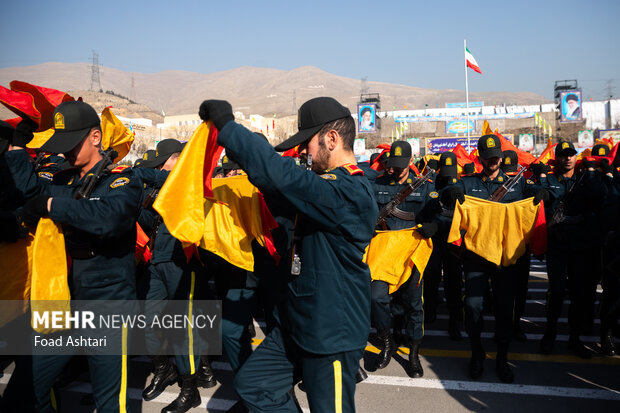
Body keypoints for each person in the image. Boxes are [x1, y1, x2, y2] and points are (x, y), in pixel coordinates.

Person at [199, 96, 377, 413]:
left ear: (332, 139)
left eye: (307, 143)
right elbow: (277, 187)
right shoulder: (324, 187)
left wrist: (229, 130)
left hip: (330, 334)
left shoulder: (349, 191)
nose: (304, 152)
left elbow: (286, 178)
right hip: (297, 325)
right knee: (254, 385)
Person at [3, 101, 141, 412]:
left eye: (71, 144)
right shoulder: (65, 178)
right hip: (62, 301)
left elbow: (110, 217)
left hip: (106, 303)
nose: (65, 152)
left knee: (110, 403)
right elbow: (28, 192)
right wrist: (16, 147)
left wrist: (52, 206)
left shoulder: (121, 179)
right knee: (26, 391)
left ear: (96, 137)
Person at [441, 134, 543, 383]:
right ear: (480, 159)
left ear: (501, 157)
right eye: (488, 158)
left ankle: (502, 358)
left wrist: (541, 191)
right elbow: (445, 193)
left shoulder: (517, 186)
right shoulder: (468, 183)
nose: (493, 162)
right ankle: (477, 353)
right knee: (473, 306)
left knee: (504, 309)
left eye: (496, 157)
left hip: (505, 259)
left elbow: (535, 192)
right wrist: (451, 191)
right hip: (476, 256)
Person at [134, 138, 216, 413]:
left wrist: (131, 172)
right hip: (156, 263)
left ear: (178, 160)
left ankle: (189, 390)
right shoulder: (156, 188)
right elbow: (146, 222)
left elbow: (164, 179)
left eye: (164, 161)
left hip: (181, 263)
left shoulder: (187, 181)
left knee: (183, 330)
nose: (160, 167)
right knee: (148, 322)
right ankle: (164, 370)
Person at [370, 140, 438, 377]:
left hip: (411, 252)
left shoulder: (425, 186)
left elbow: (438, 212)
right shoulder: (377, 184)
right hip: (383, 253)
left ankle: (413, 354)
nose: (395, 169)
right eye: (392, 164)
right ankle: (387, 342)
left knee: (413, 304)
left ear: (411, 161)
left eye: (401, 165)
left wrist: (434, 225)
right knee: (377, 298)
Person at [536, 141, 605, 358]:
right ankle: (550, 334)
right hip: (558, 244)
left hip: (580, 245)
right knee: (556, 292)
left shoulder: (585, 179)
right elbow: (541, 199)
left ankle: (574, 340)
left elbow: (598, 196)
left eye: (571, 154)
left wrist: (592, 170)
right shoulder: (550, 180)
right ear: (556, 158)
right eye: (563, 155)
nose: (567, 158)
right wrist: (542, 177)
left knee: (578, 294)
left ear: (576, 157)